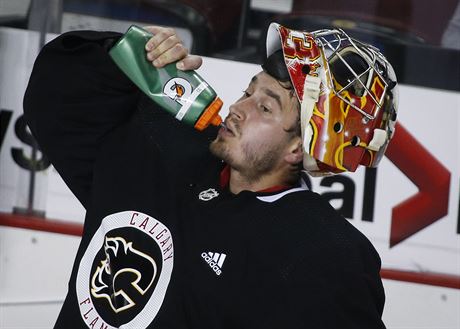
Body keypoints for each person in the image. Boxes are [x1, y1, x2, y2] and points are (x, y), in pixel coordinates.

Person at [24, 22, 397, 329]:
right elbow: (53, 97)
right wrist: (127, 55)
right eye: (247, 92)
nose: (237, 108)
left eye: (265, 107)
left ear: (298, 149)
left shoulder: (325, 256)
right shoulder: (160, 143)